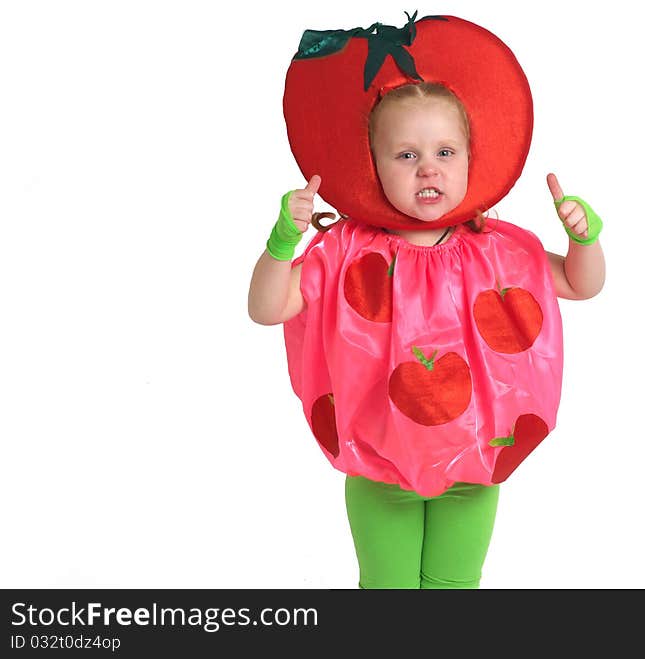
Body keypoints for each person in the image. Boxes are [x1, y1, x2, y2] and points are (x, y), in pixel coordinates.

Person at [248, 15, 605, 589]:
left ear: (470, 160)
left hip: (475, 462)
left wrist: (584, 240)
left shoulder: (497, 251)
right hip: (380, 468)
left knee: (453, 588)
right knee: (386, 588)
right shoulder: (344, 252)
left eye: (445, 151)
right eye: (406, 156)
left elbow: (580, 285)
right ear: (373, 166)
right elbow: (267, 308)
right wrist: (282, 244)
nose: (429, 168)